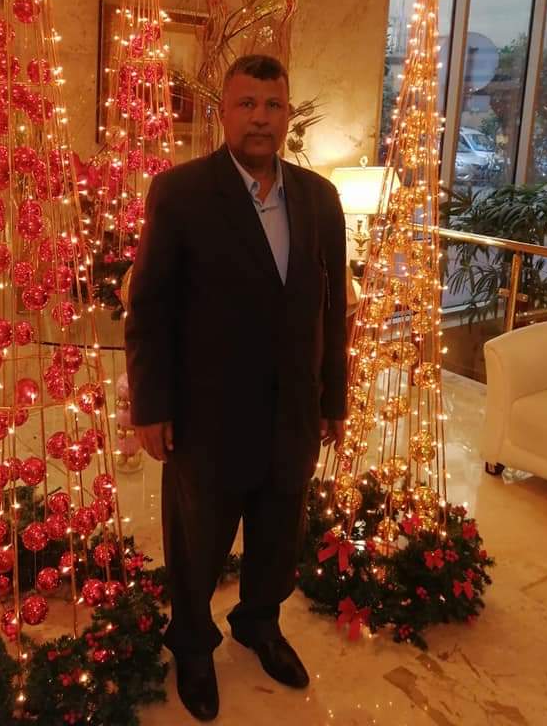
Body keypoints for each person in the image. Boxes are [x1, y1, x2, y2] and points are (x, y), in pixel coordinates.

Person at [125, 54, 347, 722]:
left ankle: (258, 621)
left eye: (272, 105)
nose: (260, 118)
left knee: (280, 532)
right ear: (223, 112)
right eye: (247, 103)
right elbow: (150, 309)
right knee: (198, 540)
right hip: (208, 415)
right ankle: (193, 644)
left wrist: (333, 398)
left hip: (293, 412)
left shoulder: (319, 198)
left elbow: (333, 310)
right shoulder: (181, 192)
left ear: (287, 114)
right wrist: (152, 406)